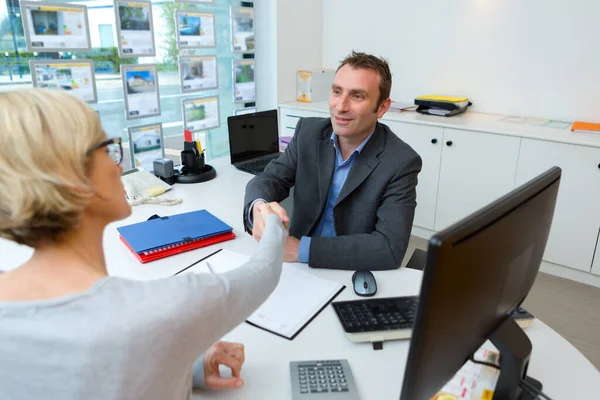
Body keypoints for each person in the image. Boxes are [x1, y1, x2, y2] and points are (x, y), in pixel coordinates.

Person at [0, 89, 287, 400]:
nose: (119, 167)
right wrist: (272, 221)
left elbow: (64, 379)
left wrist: (181, 368)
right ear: (74, 180)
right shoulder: (155, 309)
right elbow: (264, 272)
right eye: (108, 150)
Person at [244, 51, 422, 270]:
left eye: (357, 96)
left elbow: (389, 247)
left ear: (383, 107)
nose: (341, 106)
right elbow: (271, 178)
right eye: (337, 92)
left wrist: (299, 249)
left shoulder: (400, 161)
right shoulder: (308, 132)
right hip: (294, 268)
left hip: (349, 269)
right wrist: (258, 207)